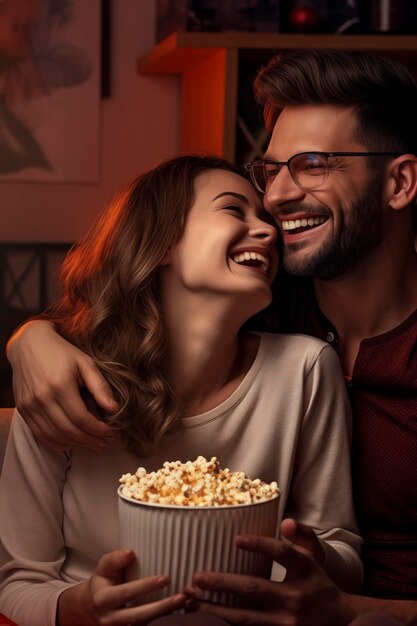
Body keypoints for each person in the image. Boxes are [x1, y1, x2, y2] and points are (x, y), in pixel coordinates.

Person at [6, 48, 417, 625]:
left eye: (314, 163)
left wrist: (345, 604)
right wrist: (29, 338)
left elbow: (332, 547)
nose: (273, 207)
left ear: (399, 181)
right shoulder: (280, 294)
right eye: (269, 172)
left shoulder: (296, 359)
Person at [0, 154, 362, 626]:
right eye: (234, 210)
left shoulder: (305, 369)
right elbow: (19, 583)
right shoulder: (60, 385)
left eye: (266, 219)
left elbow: (342, 554)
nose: (270, 231)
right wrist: (77, 609)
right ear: (162, 241)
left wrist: (310, 561)